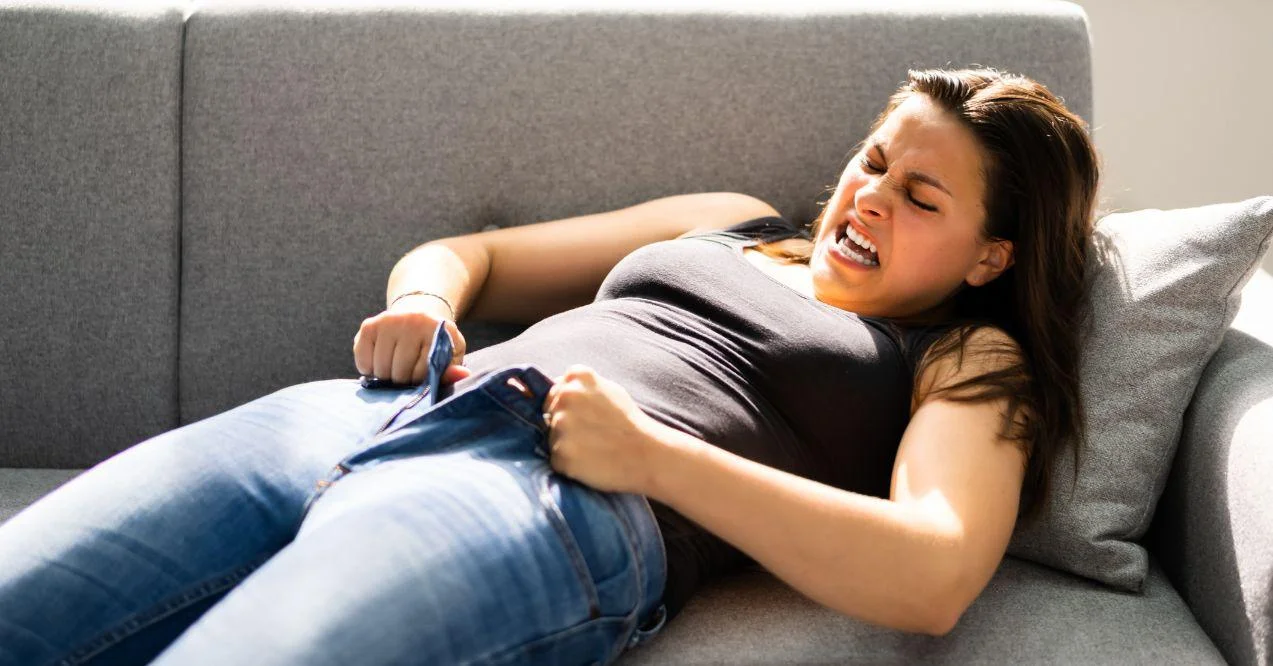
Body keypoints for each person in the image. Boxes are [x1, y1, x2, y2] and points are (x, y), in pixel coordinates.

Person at [0, 68, 1098, 665]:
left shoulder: (965, 354)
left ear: (989, 255)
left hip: (544, 499)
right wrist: (422, 302)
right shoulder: (731, 223)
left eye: (922, 197)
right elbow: (470, 254)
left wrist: (654, 461)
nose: (869, 196)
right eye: (875, 159)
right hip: (352, 412)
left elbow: (932, 576)